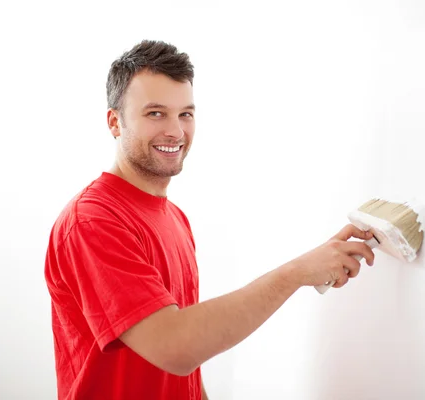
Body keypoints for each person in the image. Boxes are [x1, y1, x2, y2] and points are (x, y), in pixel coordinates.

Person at [44, 39, 376, 400]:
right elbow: (175, 347)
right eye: (155, 113)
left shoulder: (174, 218)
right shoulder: (93, 222)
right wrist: (296, 272)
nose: (175, 131)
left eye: (185, 113)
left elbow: (187, 359)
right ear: (114, 122)